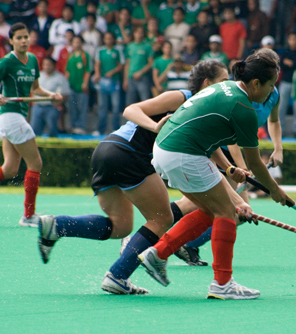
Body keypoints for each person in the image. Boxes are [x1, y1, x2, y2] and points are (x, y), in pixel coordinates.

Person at [36, 60, 230, 295]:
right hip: (128, 153)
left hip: (106, 152)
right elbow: (130, 109)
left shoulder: (203, 109)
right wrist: (154, 127)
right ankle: (118, 275)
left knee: (120, 226)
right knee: (162, 219)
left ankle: (58, 225)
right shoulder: (182, 97)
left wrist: (229, 168)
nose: (226, 87)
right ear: (207, 83)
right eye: (223, 81)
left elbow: (207, 145)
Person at [138, 50, 293, 300]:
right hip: (184, 154)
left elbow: (206, 135)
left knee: (210, 211)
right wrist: (275, 190)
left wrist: (229, 168)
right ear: (256, 83)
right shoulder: (244, 108)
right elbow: (254, 160)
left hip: (166, 149)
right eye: (270, 85)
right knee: (226, 212)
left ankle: (158, 253)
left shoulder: (227, 89)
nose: (271, 92)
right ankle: (222, 283)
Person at [173, 48, 285, 267]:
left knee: (238, 211)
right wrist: (240, 165)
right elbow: (233, 136)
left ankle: (187, 244)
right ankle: (156, 234)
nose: (274, 82)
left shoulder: (272, 93)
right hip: (221, 150)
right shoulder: (248, 93)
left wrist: (278, 147)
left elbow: (274, 120)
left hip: (238, 153)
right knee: (210, 207)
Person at [0, 23, 62, 226]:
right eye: (19, 38)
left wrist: (51, 95)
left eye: (26, 36)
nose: (24, 40)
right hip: (10, 116)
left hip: (17, 117)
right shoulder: (6, 62)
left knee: (9, 169)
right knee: (35, 163)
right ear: (11, 41)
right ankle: (28, 216)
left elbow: (35, 88)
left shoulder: (33, 60)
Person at [93, 32, 125, 135]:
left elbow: (121, 65)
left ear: (113, 40)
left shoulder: (118, 50)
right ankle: (100, 129)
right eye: (106, 38)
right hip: (102, 81)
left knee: (115, 106)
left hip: (114, 81)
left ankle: (116, 129)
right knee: (102, 106)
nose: (108, 40)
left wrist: (112, 72)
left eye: (110, 38)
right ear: (104, 40)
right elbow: (97, 64)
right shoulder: (100, 50)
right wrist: (97, 74)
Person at [30, 57, 71, 137]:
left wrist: (57, 104)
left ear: (54, 65)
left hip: (51, 107)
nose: (46, 67)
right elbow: (33, 90)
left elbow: (65, 94)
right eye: (44, 64)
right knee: (34, 131)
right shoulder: (38, 76)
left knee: (52, 130)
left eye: (49, 65)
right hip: (38, 107)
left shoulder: (60, 78)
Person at [278, 32, 296, 137]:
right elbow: (282, 65)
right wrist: (291, 64)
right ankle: (281, 130)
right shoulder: (285, 52)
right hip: (285, 81)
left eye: (295, 39)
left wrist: (291, 63)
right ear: (288, 41)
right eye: (291, 39)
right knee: (281, 107)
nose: (293, 41)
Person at [124, 26, 153, 106]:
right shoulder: (130, 46)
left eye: (141, 32)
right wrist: (125, 80)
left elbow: (150, 63)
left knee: (145, 102)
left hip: (143, 78)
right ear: (133, 34)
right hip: (130, 77)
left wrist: (140, 72)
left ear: (144, 34)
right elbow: (127, 63)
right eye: (137, 32)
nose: (139, 35)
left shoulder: (148, 46)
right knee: (130, 103)